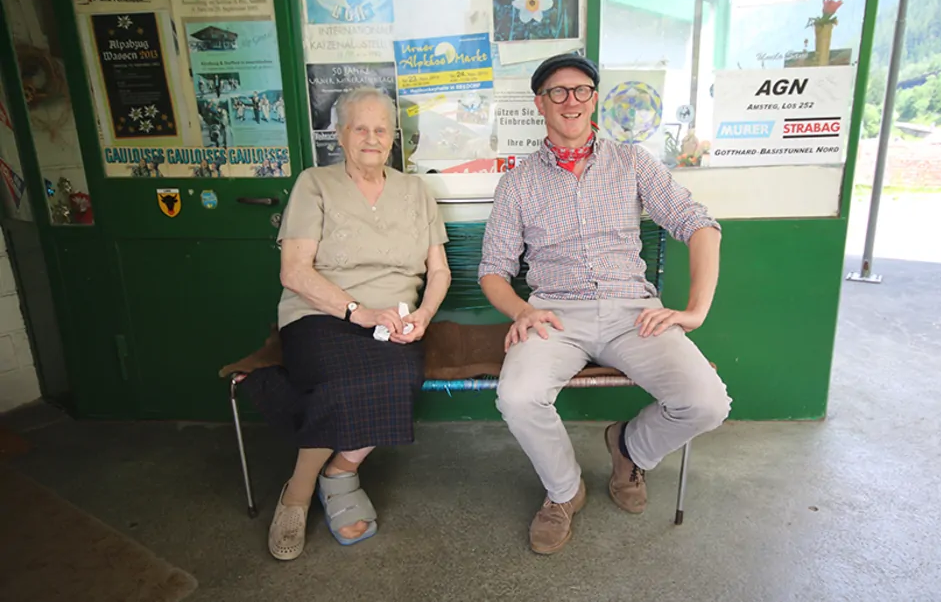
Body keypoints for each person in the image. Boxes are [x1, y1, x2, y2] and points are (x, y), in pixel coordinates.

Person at [478, 54, 731, 555]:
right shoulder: (518, 181)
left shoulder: (632, 161)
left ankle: (629, 448)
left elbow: (698, 224)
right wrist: (521, 311)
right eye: (558, 92)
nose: (570, 100)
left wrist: (695, 310)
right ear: (539, 104)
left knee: (707, 403)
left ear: (594, 99)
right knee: (517, 396)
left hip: (630, 310)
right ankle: (564, 492)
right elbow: (493, 269)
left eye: (581, 91)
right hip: (554, 313)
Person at [259, 86, 451, 560]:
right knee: (341, 381)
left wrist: (424, 315)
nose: (371, 137)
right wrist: (356, 312)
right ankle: (298, 493)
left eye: (380, 129)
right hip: (320, 315)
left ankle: (339, 472)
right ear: (340, 135)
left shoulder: (415, 191)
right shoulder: (315, 183)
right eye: (360, 128)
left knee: (398, 374)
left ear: (393, 138)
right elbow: (294, 271)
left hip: (396, 320)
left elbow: (439, 270)